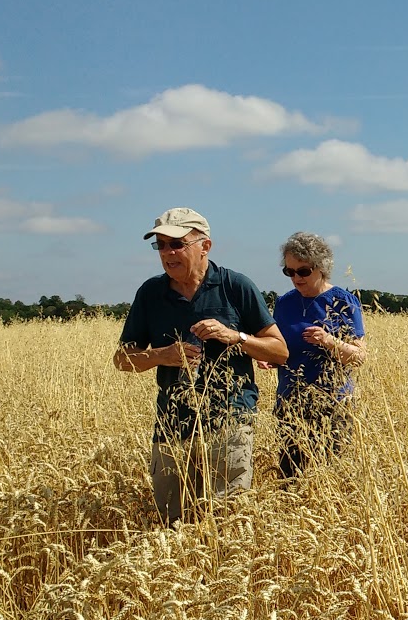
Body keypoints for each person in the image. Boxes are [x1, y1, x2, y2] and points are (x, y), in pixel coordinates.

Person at [114, 207, 288, 523]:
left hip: (229, 421)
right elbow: (122, 360)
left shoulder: (235, 286)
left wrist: (235, 336)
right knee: (171, 523)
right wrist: (162, 355)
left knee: (226, 521)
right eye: (161, 245)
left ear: (205, 246)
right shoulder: (150, 293)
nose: (168, 253)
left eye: (177, 244)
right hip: (172, 424)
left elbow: (280, 351)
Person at [269, 232, 367, 479]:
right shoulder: (283, 304)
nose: (296, 278)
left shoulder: (343, 302)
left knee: (331, 476)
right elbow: (279, 345)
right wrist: (270, 357)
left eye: (303, 271)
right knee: (291, 477)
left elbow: (359, 356)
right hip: (290, 402)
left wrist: (329, 341)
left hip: (333, 404)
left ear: (321, 268)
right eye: (289, 272)